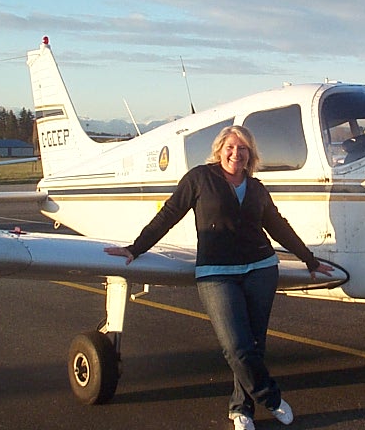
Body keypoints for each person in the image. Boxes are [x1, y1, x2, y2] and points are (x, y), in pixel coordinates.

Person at [105, 125, 334, 430]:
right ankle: (273, 398)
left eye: (242, 149)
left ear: (250, 155)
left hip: (261, 268)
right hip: (216, 273)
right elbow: (169, 214)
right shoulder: (199, 178)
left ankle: (241, 409)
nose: (235, 154)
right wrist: (136, 248)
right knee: (236, 347)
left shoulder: (256, 188)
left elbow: (277, 226)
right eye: (230, 147)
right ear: (219, 149)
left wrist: (309, 259)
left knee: (254, 345)